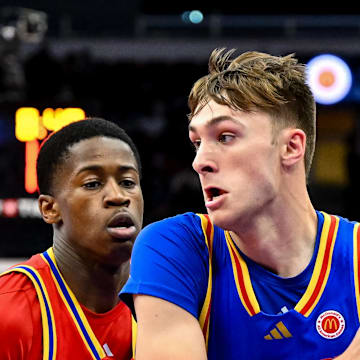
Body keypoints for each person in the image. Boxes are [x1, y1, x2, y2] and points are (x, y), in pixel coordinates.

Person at [120, 49, 360, 359]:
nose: (199, 162)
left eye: (225, 137)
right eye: (197, 143)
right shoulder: (174, 247)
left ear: (290, 147)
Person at [0, 118, 144, 359]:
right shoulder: (9, 309)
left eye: (128, 182)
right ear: (49, 208)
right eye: (93, 184)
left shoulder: (169, 298)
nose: (118, 196)